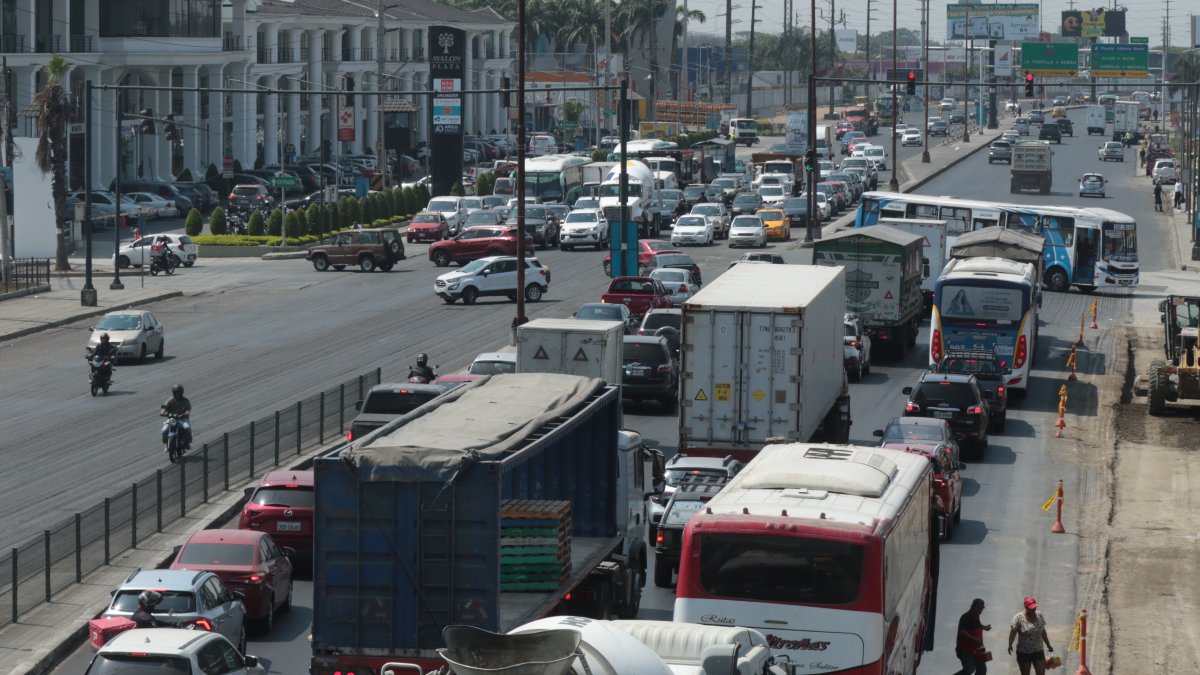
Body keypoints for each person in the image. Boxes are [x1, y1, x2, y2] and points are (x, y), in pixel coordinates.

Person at [1008, 597, 1054, 675]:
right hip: (1023, 653)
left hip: (1038, 651)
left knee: (1041, 673)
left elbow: (1043, 632)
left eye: (1034, 608)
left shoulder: (1039, 615)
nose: (1033, 610)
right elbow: (1013, 632)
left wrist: (1048, 645)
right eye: (1031, 608)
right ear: (1026, 607)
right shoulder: (1018, 617)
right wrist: (1010, 644)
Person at [955, 598, 992, 675]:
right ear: (973, 607)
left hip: (978, 649)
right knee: (969, 669)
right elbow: (962, 632)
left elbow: (976, 626)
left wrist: (984, 627)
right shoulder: (966, 617)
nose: (980, 610)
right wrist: (975, 639)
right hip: (966, 650)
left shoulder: (976, 616)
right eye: (978, 608)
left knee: (982, 670)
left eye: (981, 608)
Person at [160, 384, 192, 450]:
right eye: (176, 392)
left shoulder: (186, 401)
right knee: (164, 430)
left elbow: (188, 410)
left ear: (182, 392)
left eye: (179, 392)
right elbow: (164, 407)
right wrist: (162, 412)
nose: (178, 394)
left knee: (187, 428)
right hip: (172, 419)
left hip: (182, 418)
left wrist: (186, 413)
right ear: (173, 393)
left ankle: (187, 443)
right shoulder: (170, 400)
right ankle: (167, 444)